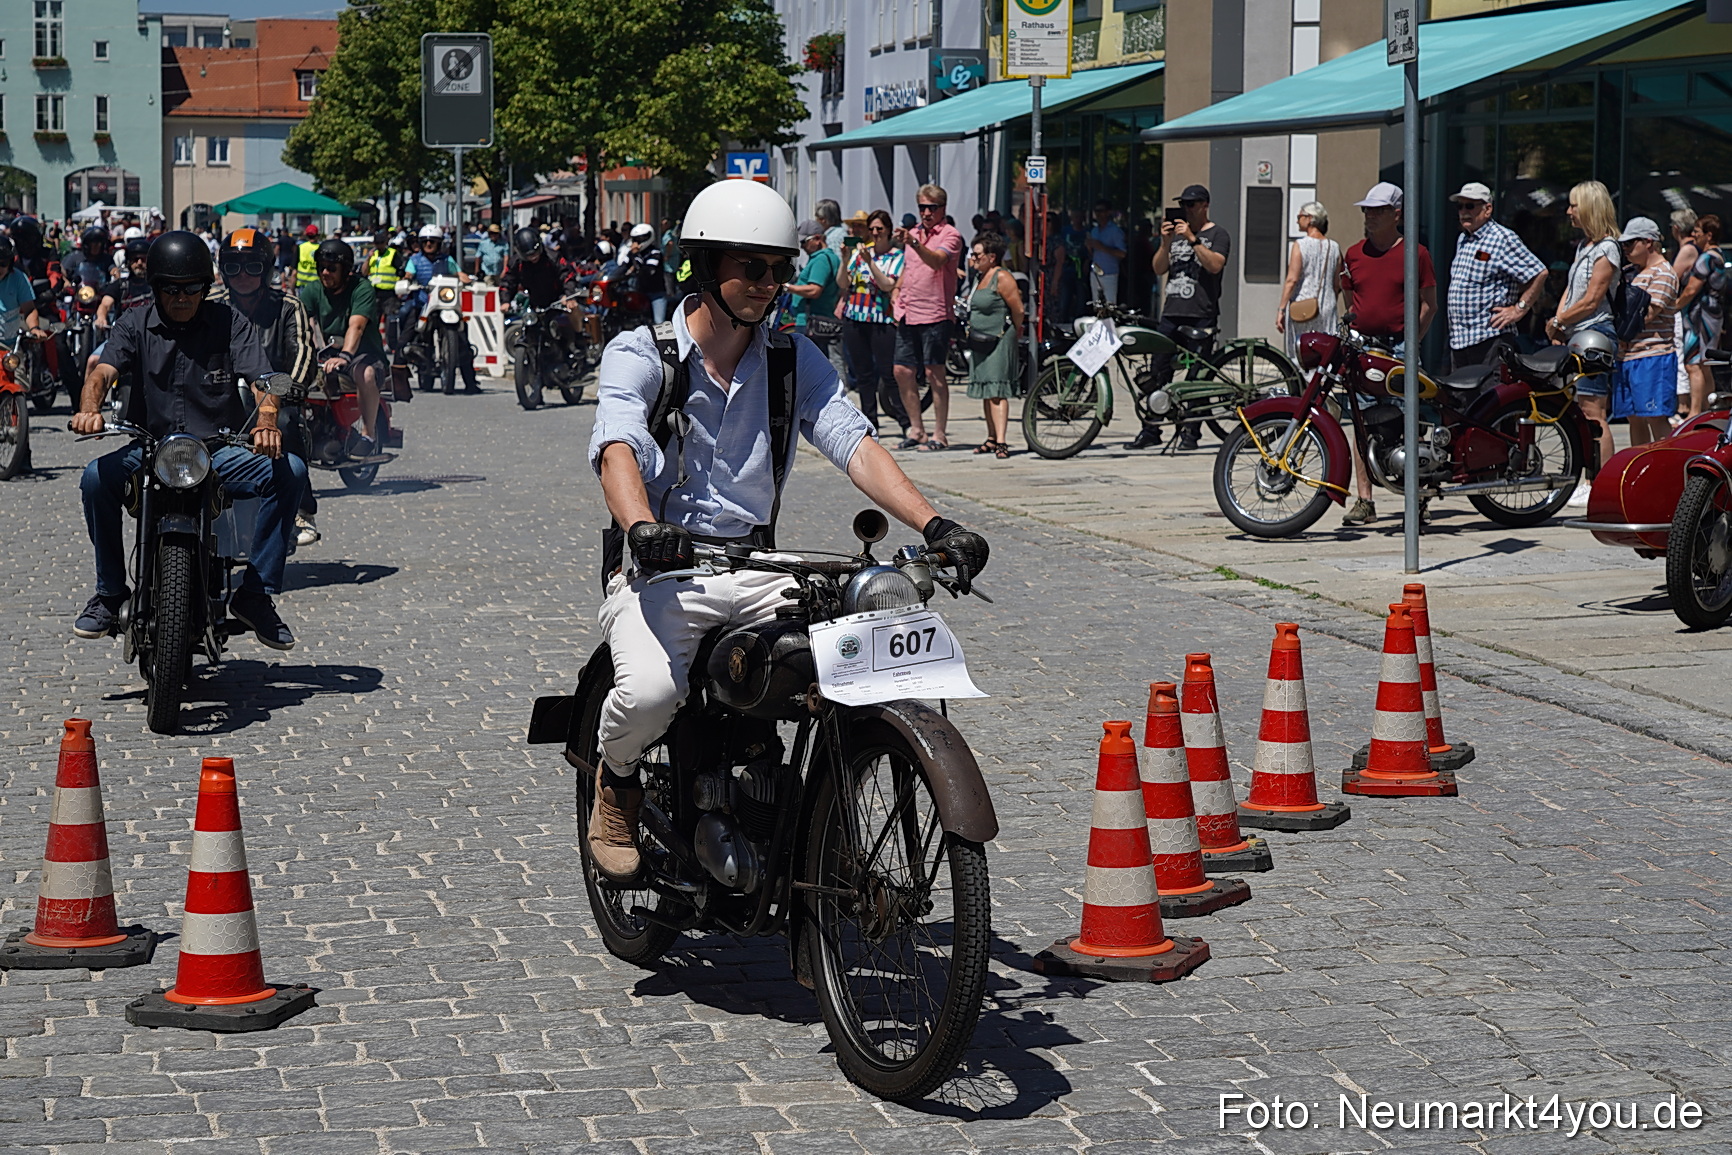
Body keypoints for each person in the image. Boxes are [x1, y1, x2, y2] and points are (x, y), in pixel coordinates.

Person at [583, 178, 990, 881]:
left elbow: (853, 441)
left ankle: (795, 813)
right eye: (752, 267)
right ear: (708, 266)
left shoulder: (788, 357)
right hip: (660, 568)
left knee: (838, 663)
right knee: (651, 691)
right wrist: (643, 526)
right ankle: (616, 780)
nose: (769, 284)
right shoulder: (642, 352)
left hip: (758, 569)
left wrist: (935, 521)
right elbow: (617, 444)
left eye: (780, 269)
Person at [71, 231, 305, 649]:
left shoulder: (230, 322)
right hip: (149, 448)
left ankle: (255, 593)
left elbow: (263, 380)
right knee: (94, 479)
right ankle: (109, 594)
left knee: (291, 471)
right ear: (156, 287)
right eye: (171, 289)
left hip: (218, 449)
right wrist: (90, 407)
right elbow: (102, 373)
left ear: (206, 286)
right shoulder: (133, 323)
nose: (181, 297)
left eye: (192, 288)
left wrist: (266, 421)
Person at [210, 227, 321, 546]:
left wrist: (293, 387)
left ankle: (301, 508)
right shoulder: (210, 303)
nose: (242, 274)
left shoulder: (289, 305)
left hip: (274, 398)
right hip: (221, 397)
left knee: (287, 423)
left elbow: (302, 351)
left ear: (267, 269)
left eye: (252, 266)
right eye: (233, 266)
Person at [1337, 181, 1437, 526]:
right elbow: (1350, 300)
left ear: (1396, 214)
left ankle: (1418, 498)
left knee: (1410, 420)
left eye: (1377, 210)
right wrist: (1357, 332)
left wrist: (1411, 342)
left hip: (1399, 346)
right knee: (1362, 423)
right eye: (1366, 209)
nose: (1369, 216)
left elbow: (1429, 304)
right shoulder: (1352, 254)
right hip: (1364, 346)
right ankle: (1365, 500)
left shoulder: (1415, 253)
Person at [1548, 180, 1621, 507]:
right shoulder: (1584, 247)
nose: (1568, 211)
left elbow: (1592, 299)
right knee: (1579, 410)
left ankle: (1599, 482)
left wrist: (1561, 321)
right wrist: (1557, 320)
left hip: (1595, 335)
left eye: (1574, 205)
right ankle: (1585, 479)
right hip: (1576, 334)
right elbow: (1571, 292)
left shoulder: (1607, 248)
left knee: (1594, 412)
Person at [1146, 184, 1232, 451]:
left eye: (1191, 205)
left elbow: (1215, 265)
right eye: (1183, 205)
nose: (1186, 210)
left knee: (1198, 378)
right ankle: (1151, 429)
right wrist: (1165, 242)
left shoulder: (1218, 234)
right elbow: (1159, 268)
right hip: (1172, 312)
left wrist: (1193, 239)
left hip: (1201, 314)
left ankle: (1190, 434)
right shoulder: (1176, 237)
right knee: (1157, 371)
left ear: (1204, 205)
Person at [1443, 182, 1547, 370]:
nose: (1464, 212)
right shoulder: (1463, 239)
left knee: (1490, 397)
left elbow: (1538, 272)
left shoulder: (1502, 238)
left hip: (1488, 339)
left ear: (1487, 209)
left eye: (1470, 206)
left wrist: (1519, 309)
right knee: (1461, 398)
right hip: (1459, 340)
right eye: (1460, 206)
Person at [891, 184, 963, 451]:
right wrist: (897, 292)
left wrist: (914, 242)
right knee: (901, 370)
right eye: (922, 207)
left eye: (931, 208)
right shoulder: (914, 234)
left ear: (942, 208)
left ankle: (939, 433)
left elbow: (936, 261)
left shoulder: (950, 235)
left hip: (935, 313)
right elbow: (909, 270)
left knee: (934, 373)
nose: (926, 212)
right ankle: (917, 429)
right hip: (909, 312)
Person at [301, 237, 388, 452]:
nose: (325, 273)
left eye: (332, 268)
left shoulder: (361, 288)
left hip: (363, 354)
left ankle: (368, 436)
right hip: (328, 354)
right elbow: (302, 323)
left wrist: (346, 355)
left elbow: (356, 327)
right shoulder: (313, 290)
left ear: (346, 270)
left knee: (365, 374)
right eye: (321, 267)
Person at [837, 208, 906, 433]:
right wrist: (845, 259)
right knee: (863, 373)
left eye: (880, 229)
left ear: (888, 231)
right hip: (855, 317)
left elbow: (888, 284)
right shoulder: (859, 253)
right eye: (872, 229)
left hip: (880, 319)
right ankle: (870, 421)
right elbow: (843, 283)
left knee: (888, 373)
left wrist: (871, 263)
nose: (875, 233)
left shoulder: (896, 256)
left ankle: (905, 420)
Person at [1613, 217, 1679, 448]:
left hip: (1653, 356)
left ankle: (1665, 472)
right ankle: (1638, 470)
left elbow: (1645, 315)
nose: (1626, 249)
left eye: (1630, 244)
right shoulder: (1635, 272)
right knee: (1634, 418)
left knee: (1655, 417)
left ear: (1648, 242)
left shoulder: (1663, 273)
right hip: (1627, 357)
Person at [400, 223, 481, 392]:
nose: (429, 245)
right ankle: (396, 382)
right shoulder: (414, 260)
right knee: (403, 339)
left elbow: (459, 273)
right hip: (422, 305)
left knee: (464, 340)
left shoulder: (447, 260)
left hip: (446, 305)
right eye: (426, 241)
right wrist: (406, 280)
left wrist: (466, 279)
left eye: (433, 241)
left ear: (439, 243)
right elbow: (408, 274)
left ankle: (471, 383)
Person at [965, 233, 1024, 459]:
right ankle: (991, 437)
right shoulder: (979, 277)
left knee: (997, 391)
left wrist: (1014, 331)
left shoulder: (1002, 277)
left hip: (999, 339)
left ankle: (1001, 441)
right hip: (980, 340)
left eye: (977, 254)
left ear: (991, 257)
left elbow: (1018, 309)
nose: (973, 258)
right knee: (987, 389)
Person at [1275, 202, 1342, 359]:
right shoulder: (1334, 247)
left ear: (1310, 219)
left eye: (1300, 217)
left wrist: (1281, 309)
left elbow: (1292, 279)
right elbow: (1337, 283)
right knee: (1324, 353)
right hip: (1327, 305)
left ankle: (1302, 382)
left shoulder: (1300, 245)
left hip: (1303, 305)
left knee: (1300, 351)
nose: (1297, 220)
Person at [1675, 214, 1726, 420]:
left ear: (1709, 235)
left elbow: (1691, 290)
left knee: (1694, 362)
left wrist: (1674, 307)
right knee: (1705, 364)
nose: (1694, 235)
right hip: (1710, 315)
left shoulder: (1707, 258)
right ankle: (1707, 409)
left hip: (1701, 317)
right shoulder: (1718, 256)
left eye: (1698, 231)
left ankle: (1695, 412)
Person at [787, 219, 842, 359]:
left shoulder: (821, 260)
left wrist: (788, 287)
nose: (802, 246)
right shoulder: (828, 257)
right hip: (815, 321)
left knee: (808, 366)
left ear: (817, 239)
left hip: (810, 322)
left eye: (805, 242)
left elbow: (814, 290)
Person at [1670, 208, 1700, 419]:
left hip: (1684, 311)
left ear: (1676, 228)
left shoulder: (1687, 250)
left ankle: (1685, 406)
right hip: (1689, 311)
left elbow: (1672, 278)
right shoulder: (1693, 248)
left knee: (1684, 356)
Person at [621, 223, 668, 323]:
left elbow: (647, 271)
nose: (636, 243)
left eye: (639, 239)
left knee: (659, 323)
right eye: (635, 239)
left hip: (656, 293)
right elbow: (623, 266)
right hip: (640, 292)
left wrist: (635, 256)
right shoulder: (633, 253)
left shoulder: (655, 253)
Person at [1085, 200, 1126, 306]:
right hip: (1095, 273)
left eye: (1101, 211)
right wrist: (1089, 247)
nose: (1098, 214)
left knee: (1109, 305)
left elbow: (1122, 253)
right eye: (1096, 211)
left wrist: (1102, 247)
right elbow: (1093, 254)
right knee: (1097, 305)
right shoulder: (1094, 231)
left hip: (1110, 273)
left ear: (1108, 212)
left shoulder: (1115, 231)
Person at [295, 224, 321, 291]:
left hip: (303, 284)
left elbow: (294, 271)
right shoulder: (321, 248)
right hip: (318, 284)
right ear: (317, 235)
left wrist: (292, 288)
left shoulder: (301, 247)